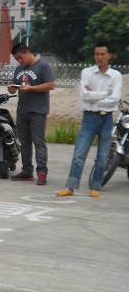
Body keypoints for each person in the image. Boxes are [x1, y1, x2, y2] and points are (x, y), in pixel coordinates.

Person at [56, 41, 122, 198]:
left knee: (103, 155)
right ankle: (71, 187)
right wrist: (105, 94)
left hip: (106, 118)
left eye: (102, 54)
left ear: (109, 56)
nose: (99, 57)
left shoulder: (116, 75)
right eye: (97, 54)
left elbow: (115, 99)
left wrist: (95, 96)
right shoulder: (87, 72)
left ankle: (96, 185)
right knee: (79, 153)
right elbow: (85, 95)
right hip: (89, 118)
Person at [7, 43, 56, 185]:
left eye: (21, 57)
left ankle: (42, 172)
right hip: (22, 110)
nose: (19, 61)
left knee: (39, 142)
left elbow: (50, 85)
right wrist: (11, 89)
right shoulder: (19, 69)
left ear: (28, 52)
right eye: (17, 59)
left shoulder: (43, 67)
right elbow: (15, 88)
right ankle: (27, 171)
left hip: (38, 111)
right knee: (25, 143)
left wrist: (31, 88)